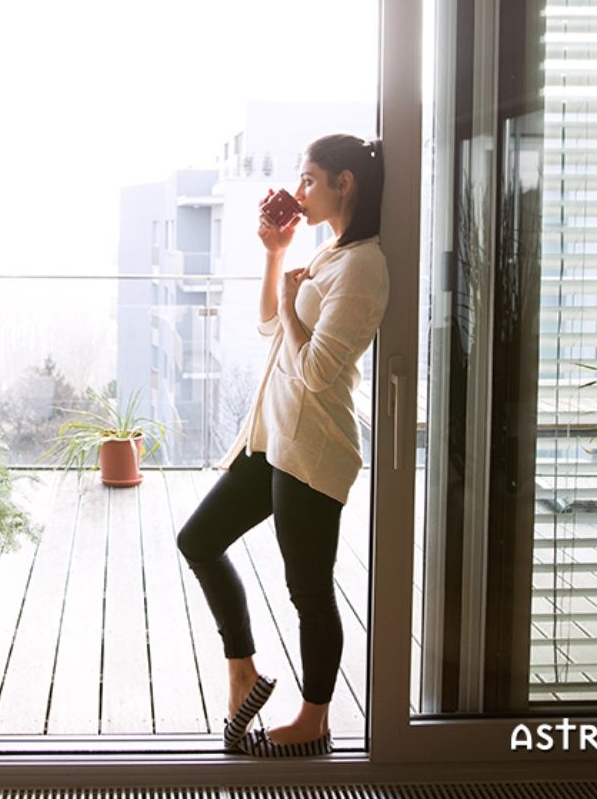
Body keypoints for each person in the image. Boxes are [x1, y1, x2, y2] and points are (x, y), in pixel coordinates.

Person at [176, 133, 389, 758]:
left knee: (308, 590)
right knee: (198, 539)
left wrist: (295, 307)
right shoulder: (330, 253)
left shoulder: (363, 266)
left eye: (309, 179)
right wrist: (276, 256)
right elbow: (271, 325)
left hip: (314, 446)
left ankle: (314, 721)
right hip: (272, 438)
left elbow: (317, 370)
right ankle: (242, 672)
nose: (300, 192)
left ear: (344, 184)